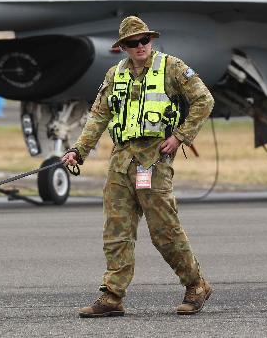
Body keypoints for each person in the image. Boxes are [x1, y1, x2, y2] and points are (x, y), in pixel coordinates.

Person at [62, 16, 215, 317]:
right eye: (133, 43)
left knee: (164, 231)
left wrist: (180, 137)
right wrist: (78, 151)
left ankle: (196, 285)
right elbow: (98, 116)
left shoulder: (171, 67)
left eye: (144, 40)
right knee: (116, 231)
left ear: (151, 41)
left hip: (154, 160)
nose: (140, 46)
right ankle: (112, 296)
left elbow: (204, 100)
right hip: (121, 162)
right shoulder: (114, 75)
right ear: (123, 48)